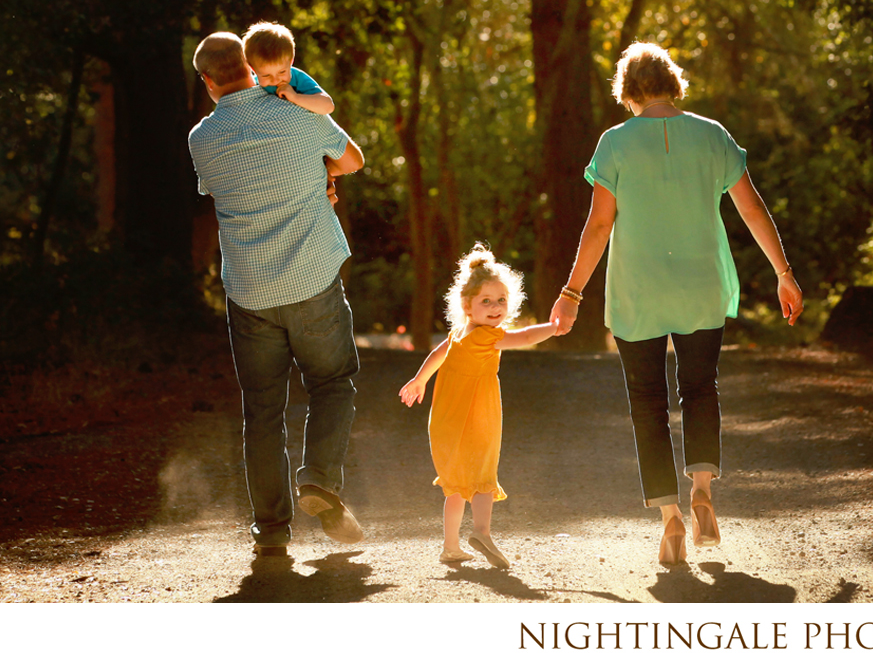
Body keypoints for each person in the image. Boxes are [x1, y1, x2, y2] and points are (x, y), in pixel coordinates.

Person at [550, 41, 803, 566]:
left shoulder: (614, 144)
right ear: (673, 84)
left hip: (637, 291)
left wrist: (571, 292)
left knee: (647, 401)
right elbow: (751, 208)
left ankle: (670, 523)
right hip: (700, 286)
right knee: (699, 386)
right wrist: (784, 273)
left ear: (628, 92)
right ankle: (703, 487)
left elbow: (599, 225)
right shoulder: (713, 135)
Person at [188, 31, 365, 558]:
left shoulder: (202, 138)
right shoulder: (298, 112)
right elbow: (352, 159)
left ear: (207, 82)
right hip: (311, 277)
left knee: (262, 409)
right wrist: (320, 174)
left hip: (249, 289)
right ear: (250, 64)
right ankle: (319, 481)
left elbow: (224, 189)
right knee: (332, 382)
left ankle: (271, 531)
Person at [399, 244, 560, 568]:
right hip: (477, 416)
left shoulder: (460, 332)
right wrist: (554, 327)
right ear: (466, 305)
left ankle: (450, 546)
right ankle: (482, 532)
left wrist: (420, 380)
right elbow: (526, 336)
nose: (496, 307)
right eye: (486, 301)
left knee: (456, 483)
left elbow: (436, 355)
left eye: (501, 300)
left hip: (446, 418)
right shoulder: (488, 336)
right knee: (483, 474)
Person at [242, 21, 335, 116]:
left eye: (282, 72)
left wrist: (295, 97)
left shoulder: (298, 79)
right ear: (253, 69)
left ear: (291, 62)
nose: (275, 80)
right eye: (266, 75)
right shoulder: (252, 85)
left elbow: (328, 106)